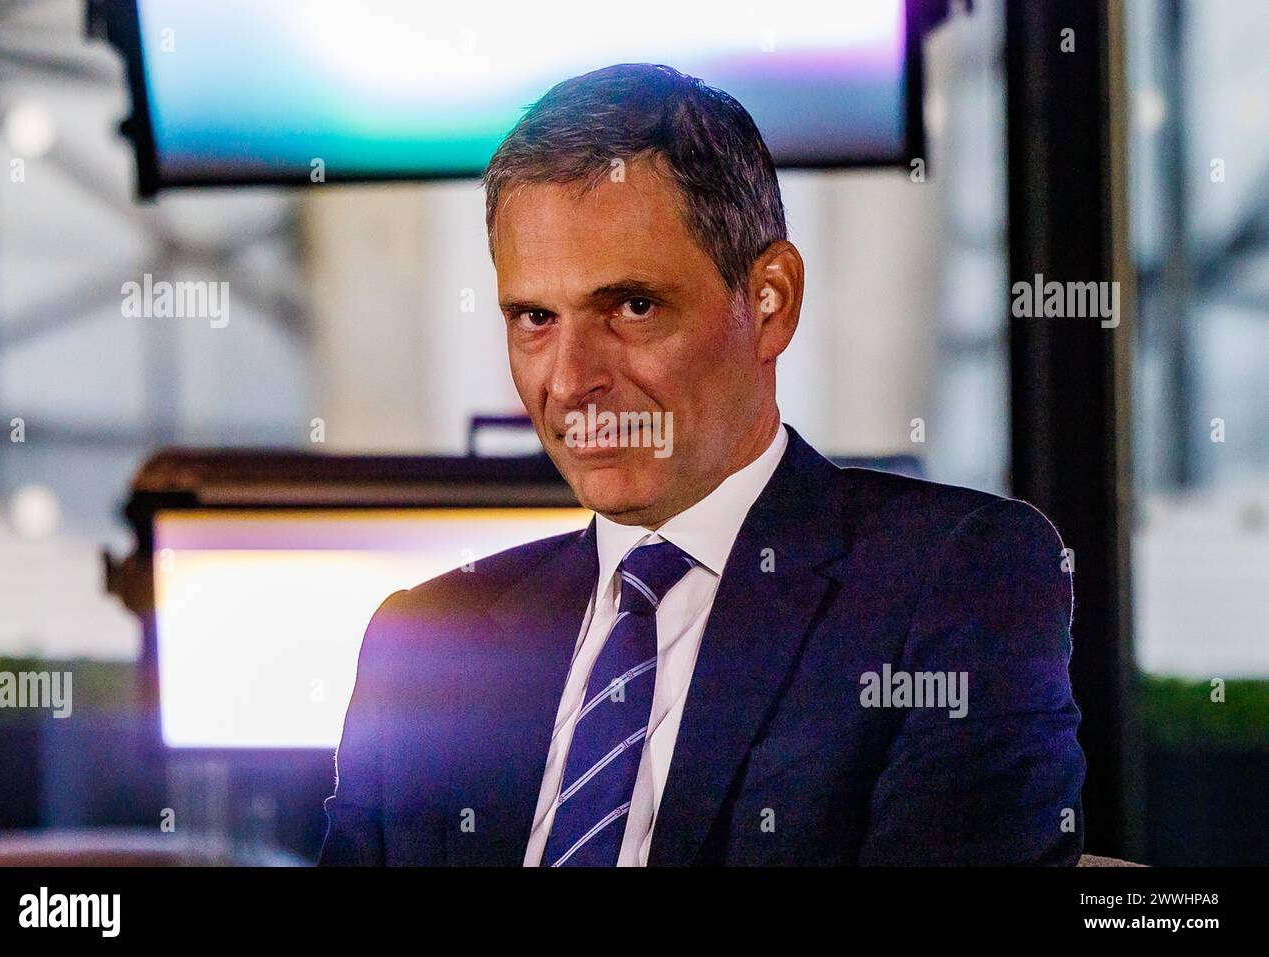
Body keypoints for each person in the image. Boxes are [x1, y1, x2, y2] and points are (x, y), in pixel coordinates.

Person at [319, 63, 1085, 867]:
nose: (572, 378)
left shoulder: (955, 580)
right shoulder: (425, 640)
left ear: (771, 300)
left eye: (632, 307)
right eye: (535, 318)